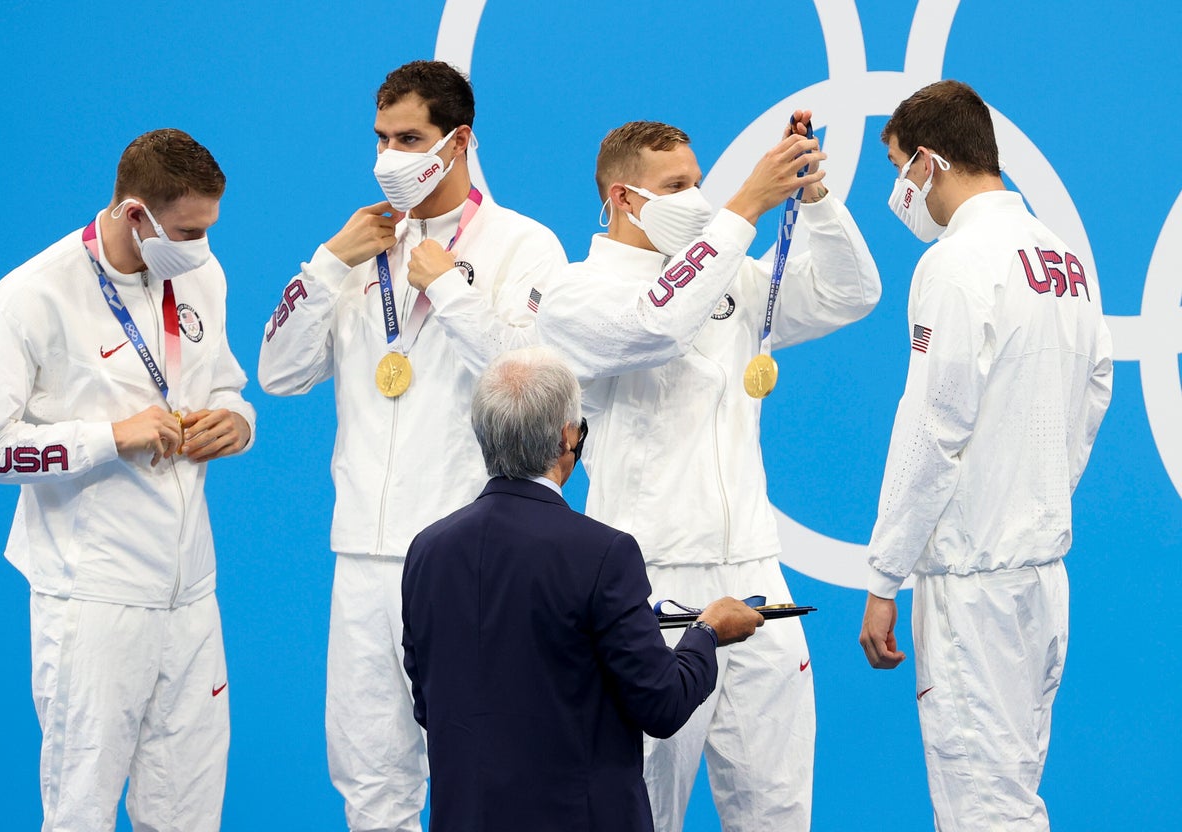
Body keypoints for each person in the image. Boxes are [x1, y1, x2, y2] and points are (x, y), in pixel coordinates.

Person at [536, 118, 882, 831]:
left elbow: (852, 295)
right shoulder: (573, 293)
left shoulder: (733, 279)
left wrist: (814, 200)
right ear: (624, 198)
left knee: (779, 812)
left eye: (699, 181)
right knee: (644, 813)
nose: (695, 197)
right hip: (647, 586)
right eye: (675, 187)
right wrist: (742, 208)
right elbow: (655, 326)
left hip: (756, 572)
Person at [257, 60, 566, 831]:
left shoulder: (525, 244)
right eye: (381, 139)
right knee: (370, 779)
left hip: (472, 551)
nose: (390, 156)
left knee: (487, 769)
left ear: (458, 141)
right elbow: (279, 374)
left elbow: (533, 381)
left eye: (410, 138)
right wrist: (329, 263)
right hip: (363, 552)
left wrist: (449, 286)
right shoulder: (360, 251)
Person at [0, 128, 255, 831]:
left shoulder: (201, 275)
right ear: (136, 214)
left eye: (209, 229)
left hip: (191, 595)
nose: (201, 246)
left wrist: (238, 424)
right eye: (188, 230)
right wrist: (108, 439)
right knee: (82, 814)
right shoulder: (30, 299)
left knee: (188, 815)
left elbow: (229, 385)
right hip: (94, 599)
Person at [858, 80, 1114, 831]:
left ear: (930, 161)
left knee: (984, 810)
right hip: (1040, 576)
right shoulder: (1059, 256)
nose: (902, 192)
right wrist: (1039, 491)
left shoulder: (956, 261)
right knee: (1012, 794)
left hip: (974, 582)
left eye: (901, 169)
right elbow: (1094, 386)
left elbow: (935, 425)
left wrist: (883, 574)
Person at [401, 346, 764, 832]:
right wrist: (707, 632)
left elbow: (430, 702)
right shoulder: (602, 553)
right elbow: (663, 704)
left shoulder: (427, 551)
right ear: (568, 438)